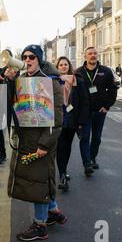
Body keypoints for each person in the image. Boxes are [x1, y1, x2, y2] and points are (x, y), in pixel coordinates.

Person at [5, 44, 67, 242]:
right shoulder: (24, 79)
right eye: (25, 56)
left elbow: (56, 121)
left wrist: (44, 145)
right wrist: (10, 82)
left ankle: (40, 226)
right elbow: (16, 105)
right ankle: (53, 212)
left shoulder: (51, 82)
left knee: (38, 183)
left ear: (39, 59)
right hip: (27, 140)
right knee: (38, 179)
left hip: (41, 142)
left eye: (32, 56)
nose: (28, 59)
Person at [75, 47, 118, 176]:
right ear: (85, 56)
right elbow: (74, 93)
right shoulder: (78, 72)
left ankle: (93, 158)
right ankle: (87, 164)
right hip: (85, 112)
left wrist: (107, 106)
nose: (93, 55)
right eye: (90, 54)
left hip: (100, 112)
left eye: (95, 53)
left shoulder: (106, 71)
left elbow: (113, 90)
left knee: (96, 138)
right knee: (84, 138)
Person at [55, 57, 89, 191]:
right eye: (60, 65)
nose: (63, 67)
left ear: (69, 66)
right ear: (57, 67)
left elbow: (84, 101)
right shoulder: (53, 81)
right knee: (60, 146)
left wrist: (81, 122)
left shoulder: (77, 80)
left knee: (67, 146)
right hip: (58, 118)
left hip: (71, 118)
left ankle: (64, 170)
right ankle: (62, 173)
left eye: (65, 64)